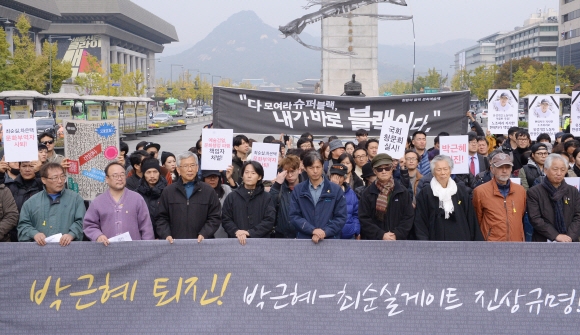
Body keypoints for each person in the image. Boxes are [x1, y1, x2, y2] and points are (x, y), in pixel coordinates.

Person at [155, 151, 221, 243]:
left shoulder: (208, 191)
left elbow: (215, 217)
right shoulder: (168, 191)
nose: (190, 169)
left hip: (201, 243)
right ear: (178, 169)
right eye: (185, 166)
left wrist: (205, 233)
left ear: (197, 168)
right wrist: (166, 234)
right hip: (174, 243)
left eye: (192, 165)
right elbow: (161, 217)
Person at [414, 155, 483, 241]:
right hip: (435, 241)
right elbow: (420, 221)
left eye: (445, 169)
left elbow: (470, 218)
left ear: (450, 171)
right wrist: (424, 242)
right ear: (433, 172)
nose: (443, 173)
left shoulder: (460, 190)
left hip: (461, 239)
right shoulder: (426, 192)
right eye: (439, 169)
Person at [84, 162, 155, 245]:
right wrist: (98, 235)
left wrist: (147, 247)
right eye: (115, 175)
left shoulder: (137, 198)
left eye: (122, 175)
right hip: (107, 250)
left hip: (134, 251)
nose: (119, 178)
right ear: (107, 179)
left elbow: (146, 227)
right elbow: (89, 224)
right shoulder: (98, 202)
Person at [17, 163, 86, 246]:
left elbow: (82, 222)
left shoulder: (75, 199)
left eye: (62, 176)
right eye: (55, 178)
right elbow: (23, 225)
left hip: (69, 249)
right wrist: (34, 234)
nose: (60, 181)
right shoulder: (31, 202)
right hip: (40, 251)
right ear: (44, 180)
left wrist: (71, 234)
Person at [289, 151, 346, 243]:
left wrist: (325, 232)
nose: (315, 171)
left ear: (323, 167)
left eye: (318, 167)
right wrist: (312, 230)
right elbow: (294, 216)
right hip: (305, 239)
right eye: (311, 168)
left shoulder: (335, 189)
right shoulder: (298, 190)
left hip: (330, 239)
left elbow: (341, 217)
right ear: (305, 168)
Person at [359, 153, 414, 240]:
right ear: (375, 171)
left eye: (387, 168)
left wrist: (397, 234)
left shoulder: (402, 191)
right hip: (374, 242)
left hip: (399, 241)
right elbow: (364, 218)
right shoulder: (367, 193)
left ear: (392, 169)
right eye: (380, 169)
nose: (384, 171)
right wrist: (381, 235)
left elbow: (408, 216)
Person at [472, 153, 525, 241]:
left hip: (516, 242)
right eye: (500, 167)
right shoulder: (480, 191)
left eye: (508, 167)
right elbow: (477, 219)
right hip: (492, 243)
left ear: (511, 169)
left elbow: (521, 215)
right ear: (492, 169)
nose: (504, 171)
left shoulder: (520, 190)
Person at [527, 154, 580, 242]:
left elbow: (578, 216)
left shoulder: (573, 191)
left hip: (570, 240)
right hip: (544, 239)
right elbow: (535, 218)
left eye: (563, 170)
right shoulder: (534, 192)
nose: (559, 173)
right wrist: (556, 235)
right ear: (545, 170)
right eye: (555, 169)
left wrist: (570, 236)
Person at [222, 161, 275, 245]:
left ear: (259, 177)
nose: (249, 176)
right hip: (236, 242)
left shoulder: (266, 197)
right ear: (242, 175)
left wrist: (250, 232)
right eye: (246, 172)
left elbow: (269, 220)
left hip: (261, 243)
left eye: (253, 173)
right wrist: (236, 231)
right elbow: (226, 219)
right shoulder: (232, 196)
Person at [270, 155, 303, 238]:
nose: (290, 175)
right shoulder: (278, 187)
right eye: (287, 172)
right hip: (281, 234)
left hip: (301, 234)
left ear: (299, 170)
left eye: (292, 171)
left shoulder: (306, 187)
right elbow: (269, 205)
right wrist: (277, 185)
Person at [135, 158, 168, 237]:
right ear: (143, 174)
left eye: (155, 172)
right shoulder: (136, 194)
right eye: (148, 172)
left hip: (164, 237)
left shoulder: (167, 192)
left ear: (159, 173)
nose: (152, 176)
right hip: (143, 236)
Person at [328, 163, 360, 239]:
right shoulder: (325, 191)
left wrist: (356, 230)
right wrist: (334, 189)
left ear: (344, 178)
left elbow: (356, 214)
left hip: (348, 235)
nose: (336, 179)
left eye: (339, 176)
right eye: (333, 176)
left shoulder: (351, 193)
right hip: (330, 235)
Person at [202, 168, 234, 238]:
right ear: (203, 178)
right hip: (203, 234)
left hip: (222, 233)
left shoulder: (226, 189)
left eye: (215, 176)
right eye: (209, 177)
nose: (212, 179)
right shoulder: (198, 192)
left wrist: (230, 179)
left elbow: (237, 199)